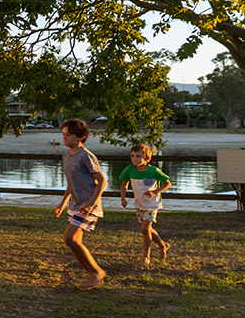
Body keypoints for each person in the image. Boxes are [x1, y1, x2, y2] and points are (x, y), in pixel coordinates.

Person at [54, 118, 107, 290]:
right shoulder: (67, 156)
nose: (65, 138)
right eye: (63, 135)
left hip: (87, 205)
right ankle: (94, 274)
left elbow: (102, 181)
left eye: (68, 135)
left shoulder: (86, 156)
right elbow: (71, 182)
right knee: (73, 241)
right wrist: (62, 204)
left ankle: (96, 272)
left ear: (80, 137)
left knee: (69, 238)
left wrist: (90, 204)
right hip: (75, 205)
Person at [118, 144, 172, 265]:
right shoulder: (129, 170)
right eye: (132, 156)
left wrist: (155, 192)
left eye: (138, 156)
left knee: (145, 229)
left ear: (147, 158)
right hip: (139, 204)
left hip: (152, 204)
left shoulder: (154, 170)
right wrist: (123, 198)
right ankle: (163, 245)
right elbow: (124, 184)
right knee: (148, 229)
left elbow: (167, 184)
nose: (134, 159)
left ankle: (146, 257)